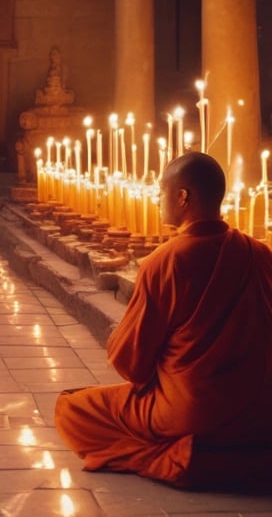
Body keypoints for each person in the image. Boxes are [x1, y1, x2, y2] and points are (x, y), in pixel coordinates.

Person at [54, 151, 272, 490]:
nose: (157, 200)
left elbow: (131, 364)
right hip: (260, 411)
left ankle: (184, 459)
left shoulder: (164, 261)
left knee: (73, 409)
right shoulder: (259, 254)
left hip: (191, 412)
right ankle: (232, 455)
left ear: (182, 197)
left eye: (161, 192)